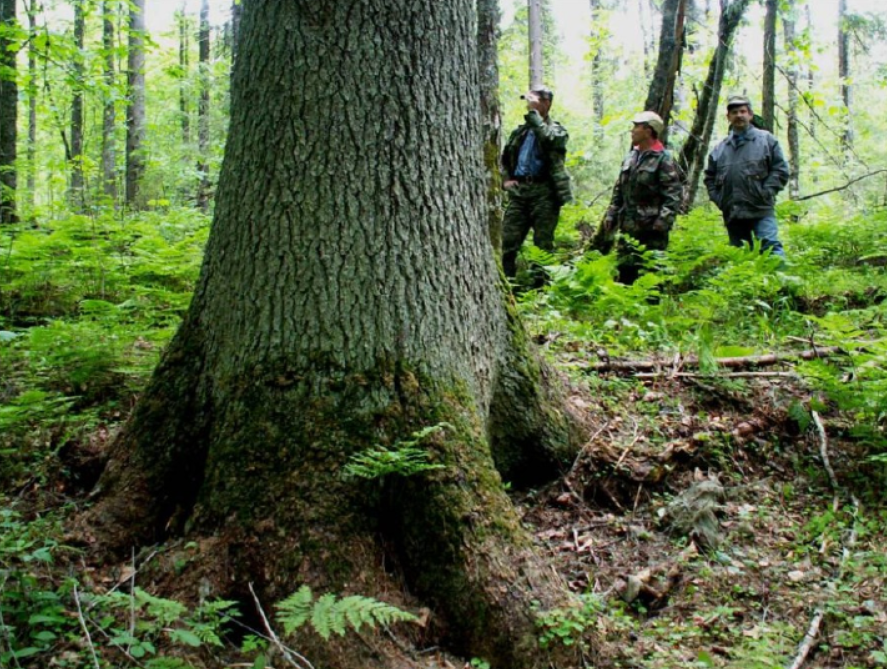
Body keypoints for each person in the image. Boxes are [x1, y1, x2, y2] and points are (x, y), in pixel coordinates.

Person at [591, 111, 682, 285]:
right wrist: (612, 213)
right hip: (628, 225)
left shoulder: (664, 159)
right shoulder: (631, 156)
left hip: (652, 229)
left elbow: (673, 195)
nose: (632, 131)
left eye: (636, 127)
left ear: (648, 131)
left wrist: (662, 222)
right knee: (624, 271)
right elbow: (619, 188)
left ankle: (651, 310)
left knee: (651, 275)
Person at [704, 95, 790, 258]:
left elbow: (780, 170)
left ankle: (780, 282)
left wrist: (766, 191)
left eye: (743, 111)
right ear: (728, 117)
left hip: (760, 208)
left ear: (750, 115)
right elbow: (710, 178)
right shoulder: (720, 149)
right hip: (733, 212)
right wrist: (720, 199)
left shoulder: (766, 140)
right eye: (734, 112)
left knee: (770, 247)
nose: (739, 115)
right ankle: (748, 284)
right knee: (740, 254)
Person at [500, 86, 573, 280]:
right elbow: (505, 159)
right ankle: (509, 288)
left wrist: (535, 117)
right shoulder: (520, 132)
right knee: (507, 241)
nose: (528, 104)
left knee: (543, 244)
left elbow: (550, 141)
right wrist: (506, 180)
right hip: (519, 191)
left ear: (546, 103)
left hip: (545, 193)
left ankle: (540, 292)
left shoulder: (557, 130)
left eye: (533, 100)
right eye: (528, 101)